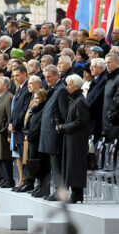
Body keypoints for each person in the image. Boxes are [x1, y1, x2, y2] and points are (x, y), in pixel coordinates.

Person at [38, 65, 69, 201]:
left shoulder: (61, 90)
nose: (47, 79)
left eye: (50, 77)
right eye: (45, 77)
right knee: (53, 164)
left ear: (57, 75)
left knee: (57, 165)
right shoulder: (53, 89)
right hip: (49, 133)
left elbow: (64, 113)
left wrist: (58, 127)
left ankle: (60, 192)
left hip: (55, 134)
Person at [57, 74, 90, 204]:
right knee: (71, 165)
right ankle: (76, 194)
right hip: (71, 138)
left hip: (77, 140)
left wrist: (64, 127)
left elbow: (80, 121)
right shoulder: (74, 99)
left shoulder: (80, 101)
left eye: (69, 85)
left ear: (76, 86)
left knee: (75, 165)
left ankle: (77, 195)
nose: (67, 87)